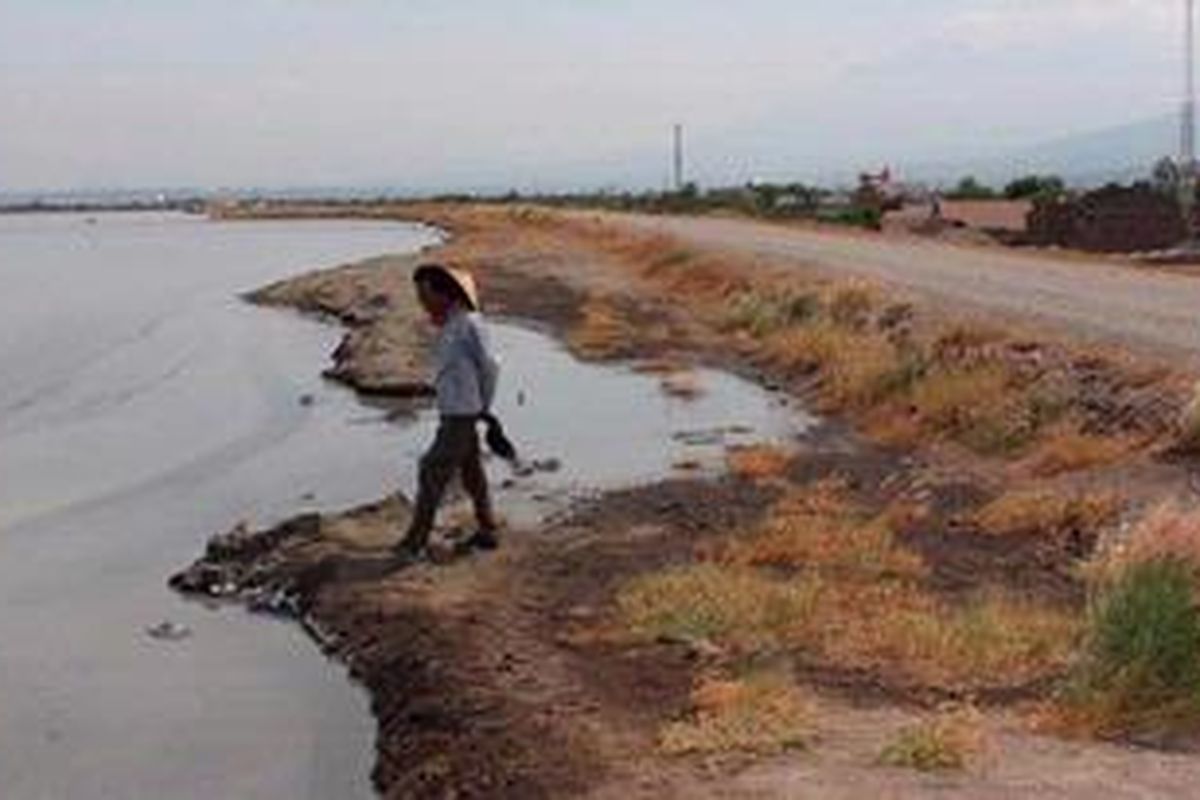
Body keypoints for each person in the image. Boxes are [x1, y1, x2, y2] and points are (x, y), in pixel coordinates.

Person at [394, 263, 500, 562]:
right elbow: (455, 370)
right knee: (472, 472)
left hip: (462, 413)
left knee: (431, 469)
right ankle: (488, 528)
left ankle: (414, 542)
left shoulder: (469, 324)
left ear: (445, 293)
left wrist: (483, 406)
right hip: (455, 410)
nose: (422, 301)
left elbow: (490, 367)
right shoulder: (452, 325)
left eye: (425, 293)